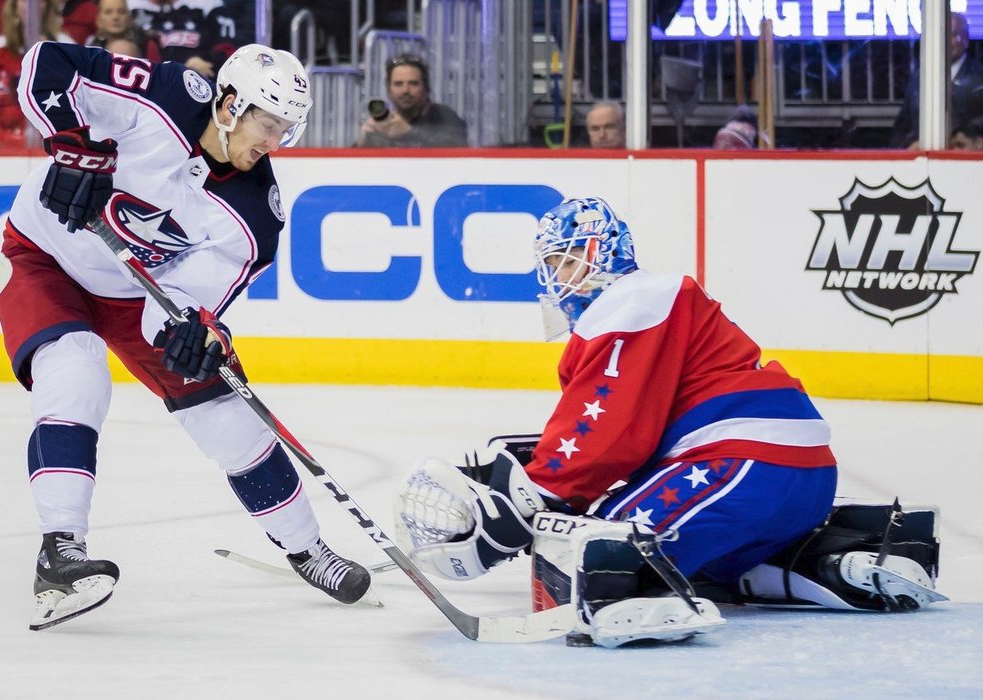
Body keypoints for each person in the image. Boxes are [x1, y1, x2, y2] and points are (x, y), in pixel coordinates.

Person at [395, 197, 944, 648]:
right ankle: (823, 561)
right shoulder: (651, 306)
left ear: (597, 254)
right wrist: (542, 477)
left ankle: (635, 594)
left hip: (739, 465)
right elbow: (635, 430)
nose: (556, 278)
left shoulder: (633, 298)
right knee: (711, 566)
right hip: (793, 476)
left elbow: (608, 432)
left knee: (594, 545)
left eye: (564, 262)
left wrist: (535, 495)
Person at [0, 40, 370, 630]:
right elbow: (45, 63)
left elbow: (187, 302)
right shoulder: (165, 96)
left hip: (135, 291)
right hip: (45, 256)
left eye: (286, 130)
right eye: (268, 124)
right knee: (76, 369)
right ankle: (59, 550)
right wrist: (73, 149)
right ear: (229, 103)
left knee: (229, 418)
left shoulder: (256, 215)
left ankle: (307, 548)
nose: (274, 143)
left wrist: (195, 333)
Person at [0, 0, 71, 147]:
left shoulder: (65, 45)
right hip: (1, 139)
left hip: (54, 137)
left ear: (47, 6)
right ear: (14, 6)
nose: (31, 7)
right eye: (24, 0)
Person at [891, 12, 983, 149]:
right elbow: (902, 128)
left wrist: (976, 144)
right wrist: (908, 146)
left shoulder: (980, 77)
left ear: (965, 39)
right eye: (940, 35)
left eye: (951, 34)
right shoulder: (919, 78)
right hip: (923, 162)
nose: (944, 40)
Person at [356, 53, 467, 148]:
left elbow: (458, 151)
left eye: (413, 84)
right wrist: (363, 141)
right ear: (389, 91)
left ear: (426, 89)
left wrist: (408, 131)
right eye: (398, 84)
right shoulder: (385, 124)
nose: (405, 90)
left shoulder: (444, 115)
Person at [88, 0, 159, 61]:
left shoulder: (147, 45)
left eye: (121, 12)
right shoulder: (91, 51)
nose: (115, 17)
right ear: (98, 21)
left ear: (130, 19)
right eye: (108, 12)